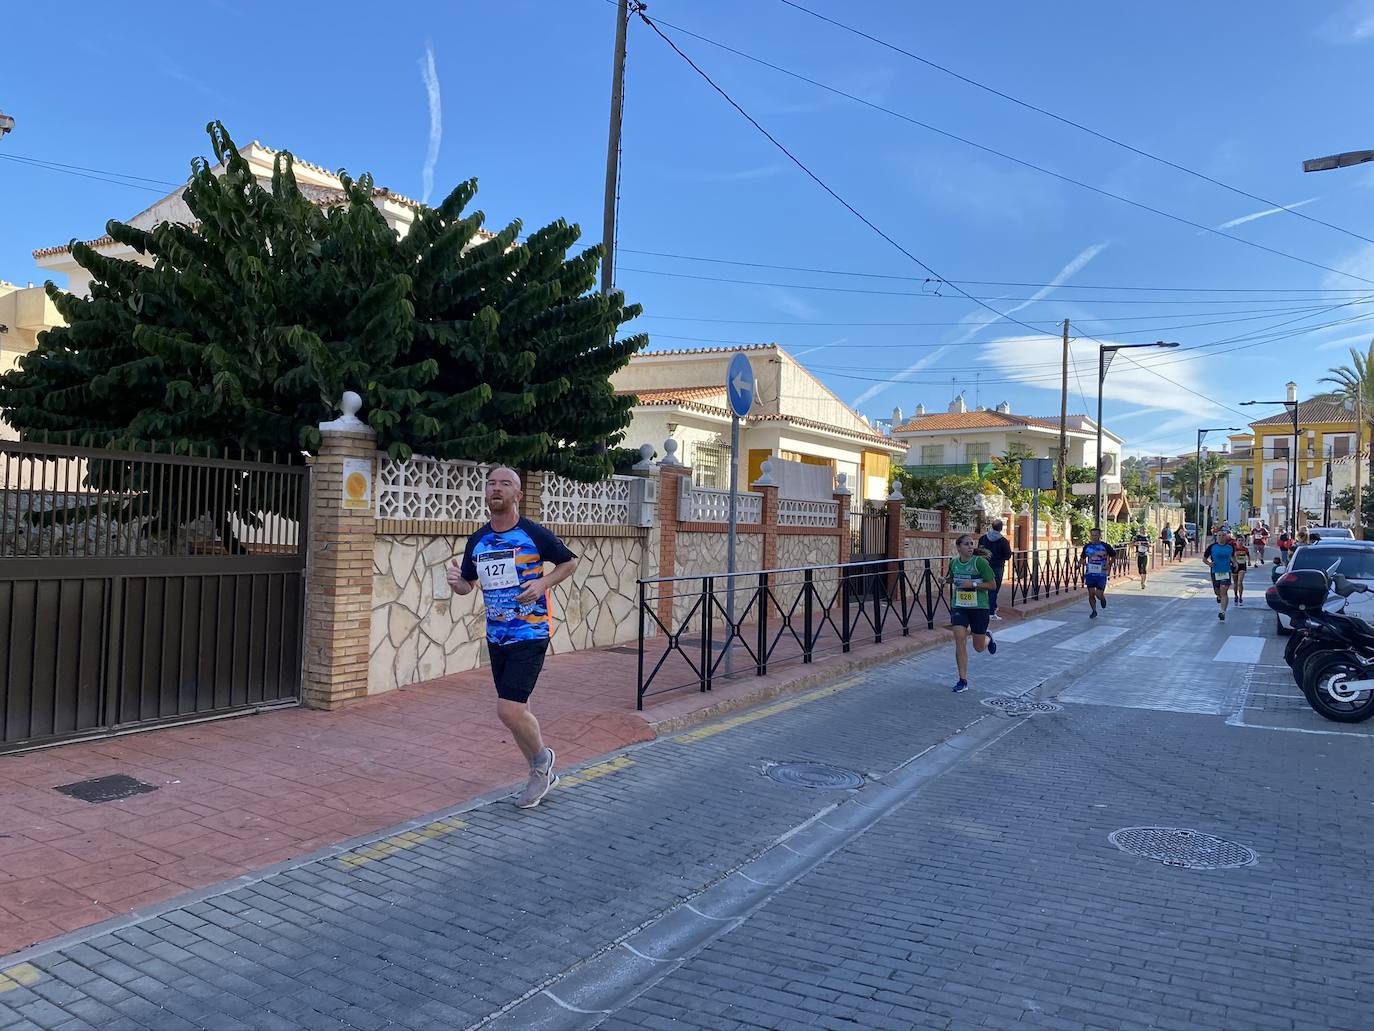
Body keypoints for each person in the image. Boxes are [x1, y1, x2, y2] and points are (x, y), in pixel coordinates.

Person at [446, 467, 579, 809]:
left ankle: (542, 763)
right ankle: (539, 771)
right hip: (497, 634)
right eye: (491, 483)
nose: (497, 488)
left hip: (530, 630)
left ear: (518, 495)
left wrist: (542, 584)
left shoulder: (532, 534)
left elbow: (569, 563)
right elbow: (467, 585)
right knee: (519, 709)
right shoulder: (478, 541)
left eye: (506, 484)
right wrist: (456, 582)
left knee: (508, 708)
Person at [945, 533, 998, 693]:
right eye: (966, 544)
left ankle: (988, 637)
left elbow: (992, 585)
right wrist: (945, 580)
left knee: (979, 647)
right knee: (959, 639)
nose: (970, 547)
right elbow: (952, 578)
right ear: (958, 547)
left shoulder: (979, 563)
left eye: (971, 544)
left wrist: (973, 584)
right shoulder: (954, 562)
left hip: (979, 607)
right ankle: (962, 680)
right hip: (959, 606)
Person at [977, 518, 1013, 621]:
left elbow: (978, 551)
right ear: (1001, 528)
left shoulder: (983, 538)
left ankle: (987, 608)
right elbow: (1008, 555)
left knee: (983, 588)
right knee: (993, 589)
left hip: (983, 566)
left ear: (992, 527)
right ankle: (991, 612)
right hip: (997, 567)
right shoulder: (1003, 541)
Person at [1081, 527, 1117, 619]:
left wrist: (1109, 564)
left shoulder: (1105, 546)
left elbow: (1113, 555)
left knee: (1098, 594)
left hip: (1101, 574)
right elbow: (1082, 558)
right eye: (1092, 535)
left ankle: (1102, 598)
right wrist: (1081, 563)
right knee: (1091, 594)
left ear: (1099, 536)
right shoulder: (1087, 546)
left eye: (1096, 535)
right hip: (1090, 573)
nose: (1094, 537)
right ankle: (1094, 611)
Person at [1203, 529, 1235, 622]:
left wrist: (1235, 563)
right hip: (1215, 572)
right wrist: (1209, 564)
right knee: (1217, 592)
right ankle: (1218, 596)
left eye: (1223, 536)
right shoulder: (1212, 547)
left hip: (1226, 571)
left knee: (1224, 591)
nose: (1221, 537)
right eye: (1219, 536)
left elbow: (1233, 557)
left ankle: (1222, 612)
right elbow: (1204, 559)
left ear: (1226, 537)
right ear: (1216, 537)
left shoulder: (1230, 547)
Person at [1231, 532, 1251, 606]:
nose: (1240, 542)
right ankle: (1235, 595)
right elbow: (1230, 556)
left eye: (1242, 540)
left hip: (1242, 566)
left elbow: (1248, 555)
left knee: (1240, 582)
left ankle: (1241, 596)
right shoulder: (1233, 548)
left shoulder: (1245, 549)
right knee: (1235, 583)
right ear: (1236, 541)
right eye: (1239, 540)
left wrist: (1249, 561)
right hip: (1234, 566)